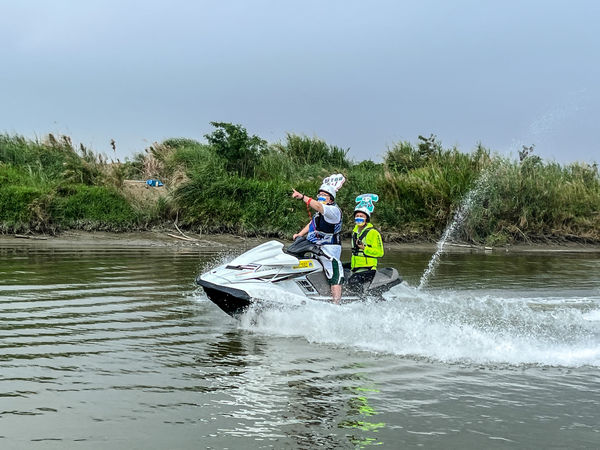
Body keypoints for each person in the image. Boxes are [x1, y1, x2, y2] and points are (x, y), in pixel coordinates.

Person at [291, 175, 345, 303]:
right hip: (315, 246)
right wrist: (300, 234)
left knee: (333, 271)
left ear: (331, 199)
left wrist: (303, 197)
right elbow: (312, 224)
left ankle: (336, 303)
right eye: (319, 194)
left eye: (324, 195)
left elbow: (319, 207)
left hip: (329, 249)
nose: (320, 196)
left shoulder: (333, 211)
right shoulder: (319, 214)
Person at [348, 194, 384, 292]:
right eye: (357, 216)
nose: (359, 218)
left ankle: (361, 301)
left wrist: (365, 248)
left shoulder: (373, 233)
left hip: (368, 269)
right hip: (356, 267)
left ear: (366, 218)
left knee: (354, 281)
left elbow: (380, 252)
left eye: (361, 216)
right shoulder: (355, 232)